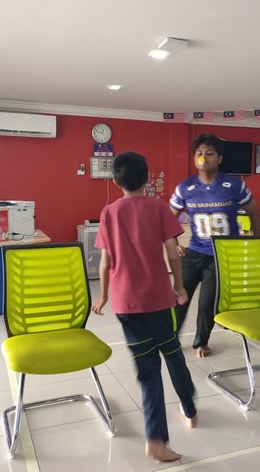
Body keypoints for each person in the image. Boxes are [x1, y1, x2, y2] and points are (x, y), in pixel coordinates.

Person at [91, 152, 197, 463]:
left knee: (148, 370)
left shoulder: (109, 212)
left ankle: (155, 439)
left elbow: (105, 262)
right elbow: (173, 254)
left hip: (126, 304)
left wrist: (103, 295)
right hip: (158, 300)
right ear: (148, 178)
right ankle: (189, 409)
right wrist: (179, 286)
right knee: (173, 355)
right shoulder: (158, 207)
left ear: (115, 181)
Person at [170, 134, 260, 358]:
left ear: (219, 158)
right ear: (194, 158)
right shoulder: (186, 187)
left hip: (222, 256)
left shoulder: (235, 185)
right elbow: (169, 217)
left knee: (207, 303)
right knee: (178, 298)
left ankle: (201, 342)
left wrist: (255, 244)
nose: (204, 157)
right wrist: (174, 242)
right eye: (199, 153)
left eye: (210, 153)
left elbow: (254, 212)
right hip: (194, 251)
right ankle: (169, 340)